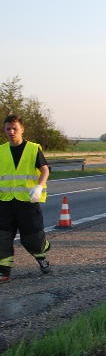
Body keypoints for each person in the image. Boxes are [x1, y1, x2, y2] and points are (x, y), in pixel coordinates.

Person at [0, 115, 52, 283]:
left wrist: (39, 186)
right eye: (8, 128)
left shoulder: (32, 149)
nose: (11, 131)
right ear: (4, 130)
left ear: (22, 129)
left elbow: (44, 170)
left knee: (32, 240)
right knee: (2, 238)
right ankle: (4, 272)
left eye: (15, 128)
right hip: (5, 203)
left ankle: (42, 255)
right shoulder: (1, 151)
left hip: (28, 202)